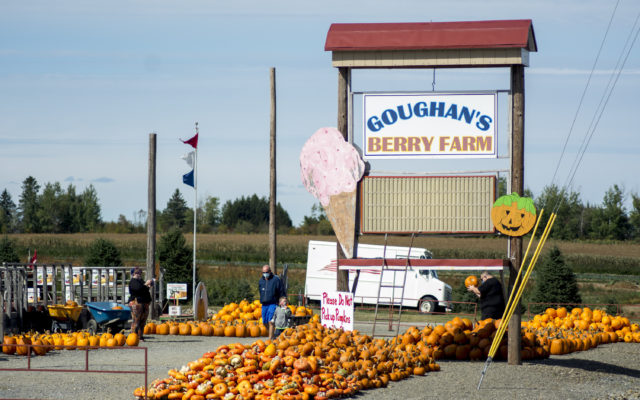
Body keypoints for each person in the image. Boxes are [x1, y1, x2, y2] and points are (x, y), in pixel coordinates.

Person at [259, 264, 285, 341]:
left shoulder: (276, 280)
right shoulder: (261, 281)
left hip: (273, 303)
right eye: (263, 272)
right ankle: (273, 335)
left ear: (270, 271)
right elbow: (260, 291)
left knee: (271, 321)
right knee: (265, 322)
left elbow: (281, 291)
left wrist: (282, 299)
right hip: (264, 304)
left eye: (266, 272)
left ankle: (270, 339)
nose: (265, 274)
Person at [128, 267, 153, 340]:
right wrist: (146, 284)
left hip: (144, 302)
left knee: (143, 321)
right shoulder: (133, 281)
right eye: (136, 273)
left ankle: (140, 336)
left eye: (140, 273)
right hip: (136, 302)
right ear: (133, 274)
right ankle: (133, 337)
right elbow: (138, 289)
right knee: (136, 320)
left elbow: (144, 289)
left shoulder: (140, 281)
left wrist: (149, 285)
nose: (138, 274)